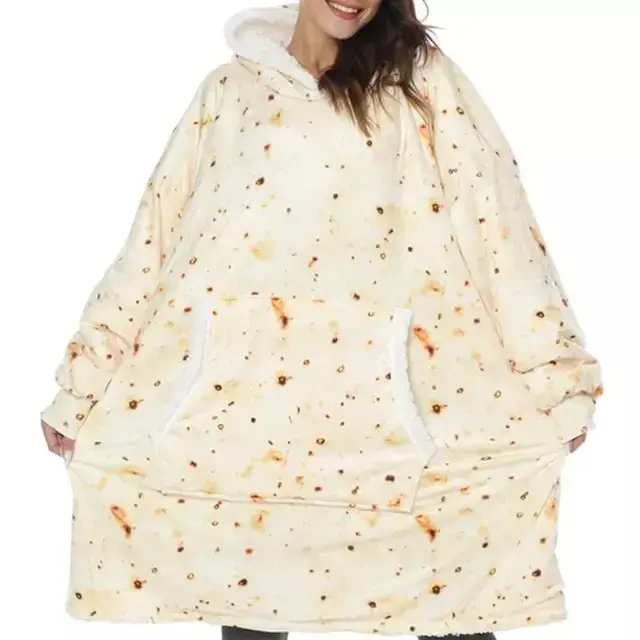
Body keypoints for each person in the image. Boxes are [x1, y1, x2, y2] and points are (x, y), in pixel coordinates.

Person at [40, 1, 603, 639]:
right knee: (250, 607)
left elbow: (496, 222)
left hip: (397, 429)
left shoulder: (420, 83)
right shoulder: (227, 92)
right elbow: (154, 242)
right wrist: (83, 384)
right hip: (246, 427)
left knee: (451, 602)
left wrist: (556, 375)